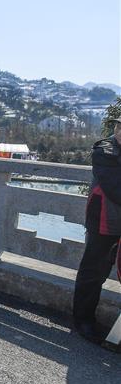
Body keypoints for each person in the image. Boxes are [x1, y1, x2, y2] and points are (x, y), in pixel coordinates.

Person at [73, 116, 121, 344]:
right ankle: (83, 320)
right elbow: (115, 187)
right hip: (104, 220)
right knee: (94, 272)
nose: (120, 129)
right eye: (119, 126)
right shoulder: (105, 150)